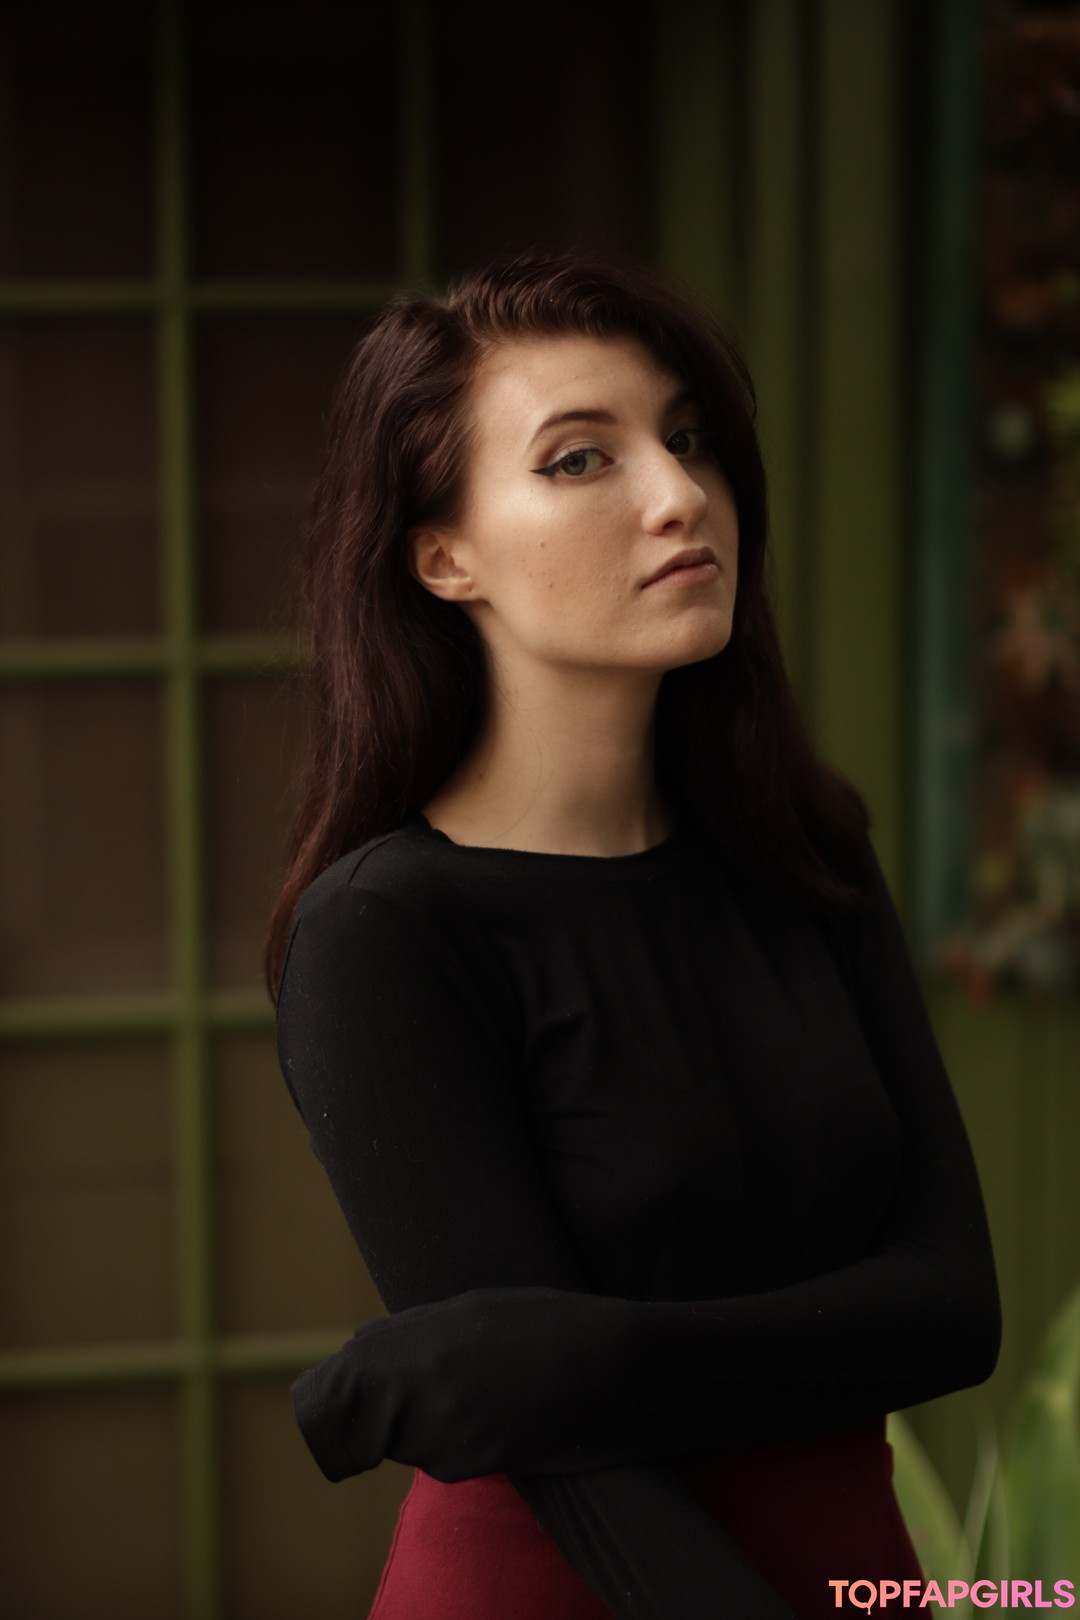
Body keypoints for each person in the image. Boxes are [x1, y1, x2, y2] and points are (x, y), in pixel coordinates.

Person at [264, 247, 1002, 1620]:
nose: (680, 494)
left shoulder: (805, 848)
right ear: (444, 556)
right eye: (580, 460)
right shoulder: (382, 934)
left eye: (689, 438)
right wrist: (542, 1382)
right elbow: (571, 1465)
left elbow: (954, 1314)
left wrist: (558, 1358)